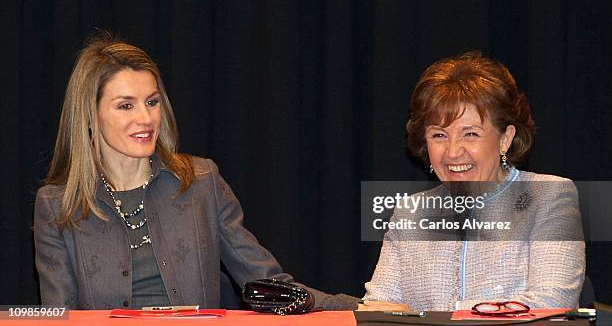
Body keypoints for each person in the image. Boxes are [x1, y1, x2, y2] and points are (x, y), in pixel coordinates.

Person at [34, 31, 359, 310]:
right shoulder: (57, 205)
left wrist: (357, 307)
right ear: (90, 116)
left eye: (152, 101)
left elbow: (268, 284)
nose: (145, 119)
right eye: (125, 105)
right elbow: (59, 317)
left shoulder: (201, 182)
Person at [360, 52, 585, 311]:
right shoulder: (410, 213)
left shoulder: (549, 196)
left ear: (505, 138)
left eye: (471, 134)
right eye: (439, 135)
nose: (453, 151)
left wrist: (444, 315)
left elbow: (552, 303)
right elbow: (376, 308)